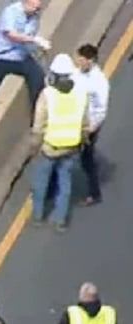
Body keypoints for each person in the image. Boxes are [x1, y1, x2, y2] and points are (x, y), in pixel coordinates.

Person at [29, 54, 88, 232]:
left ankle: (38, 216)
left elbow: (38, 126)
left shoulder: (48, 95)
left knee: (41, 183)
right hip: (71, 148)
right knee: (65, 184)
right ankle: (59, 220)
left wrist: (34, 146)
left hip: (50, 148)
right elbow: (85, 123)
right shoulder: (80, 93)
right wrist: (83, 141)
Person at [0, 0, 48, 126]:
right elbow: (11, 34)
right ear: (26, 3)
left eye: (38, 8)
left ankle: (36, 119)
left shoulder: (34, 17)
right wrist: (35, 40)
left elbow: (28, 34)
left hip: (21, 56)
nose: (37, 11)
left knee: (38, 79)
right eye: (35, 7)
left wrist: (36, 48)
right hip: (2, 57)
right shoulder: (11, 12)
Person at [74, 44, 109, 205]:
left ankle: (94, 193)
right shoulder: (77, 74)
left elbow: (101, 109)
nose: (78, 62)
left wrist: (91, 129)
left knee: (87, 160)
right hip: (74, 122)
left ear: (91, 60)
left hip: (88, 125)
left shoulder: (99, 82)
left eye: (81, 59)